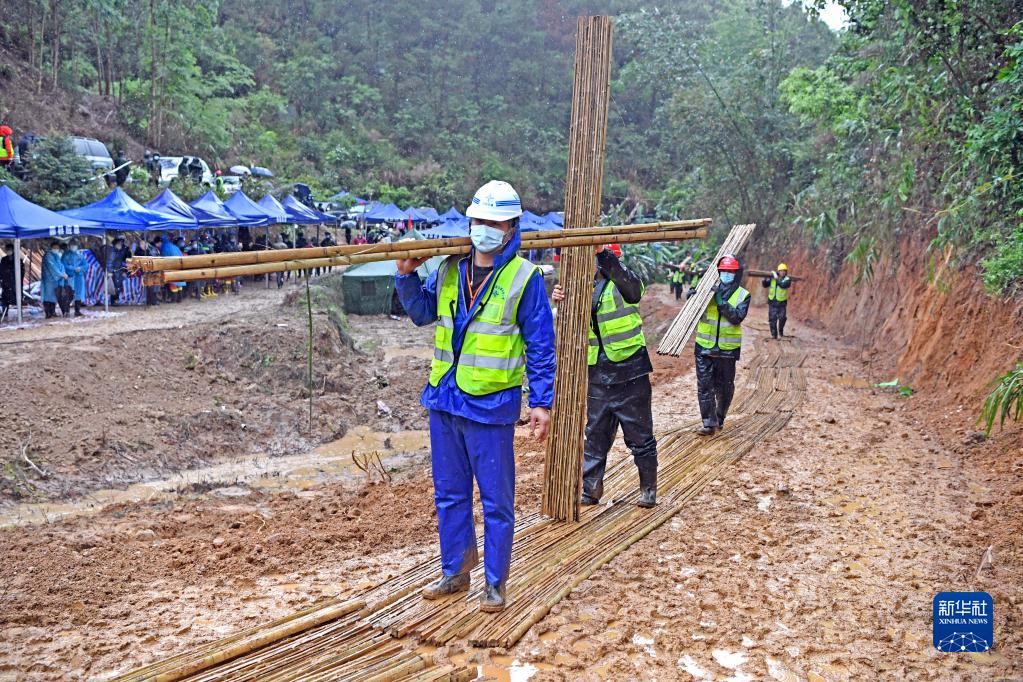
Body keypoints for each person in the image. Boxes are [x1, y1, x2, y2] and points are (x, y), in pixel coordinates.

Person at [394, 180, 555, 613]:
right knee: (449, 494)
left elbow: (541, 344)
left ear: (510, 227)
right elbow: (422, 314)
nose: (484, 228)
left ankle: (496, 583)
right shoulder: (450, 268)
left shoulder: (525, 278)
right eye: (477, 220)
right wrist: (406, 275)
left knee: (497, 501)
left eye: (493, 222)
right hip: (445, 399)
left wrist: (542, 402)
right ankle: (455, 571)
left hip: (490, 405)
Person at [552, 243, 658, 508]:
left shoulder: (626, 282)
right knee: (596, 435)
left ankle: (648, 489)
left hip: (630, 371)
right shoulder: (582, 287)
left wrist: (603, 254)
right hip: (598, 373)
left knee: (640, 435)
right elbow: (569, 329)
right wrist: (561, 303)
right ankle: (590, 489)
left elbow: (631, 287)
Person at [694, 255, 750, 436]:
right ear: (718, 272)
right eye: (724, 271)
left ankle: (719, 417)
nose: (726, 274)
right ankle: (709, 423)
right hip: (704, 346)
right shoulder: (706, 290)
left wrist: (721, 303)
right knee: (704, 385)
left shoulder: (743, 295)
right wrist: (693, 296)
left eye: (730, 271)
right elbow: (692, 308)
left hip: (727, 350)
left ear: (736, 273)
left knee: (725, 387)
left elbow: (736, 317)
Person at [762, 263, 792, 339]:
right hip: (772, 302)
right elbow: (765, 285)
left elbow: (782, 285)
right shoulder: (773, 278)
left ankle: (780, 331)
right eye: (781, 271)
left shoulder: (787, 279)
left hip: (782, 303)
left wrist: (776, 278)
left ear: (786, 272)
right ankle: (774, 335)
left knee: (782, 318)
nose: (782, 272)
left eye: (784, 271)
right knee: (772, 319)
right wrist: (766, 279)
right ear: (778, 271)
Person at [41, 241, 70, 318]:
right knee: (48, 296)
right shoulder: (48, 256)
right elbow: (53, 268)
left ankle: (52, 312)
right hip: (49, 280)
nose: (56, 249)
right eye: (55, 248)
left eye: (57, 248)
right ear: (51, 248)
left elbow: (61, 266)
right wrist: (61, 274)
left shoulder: (56, 256)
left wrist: (63, 273)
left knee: (54, 296)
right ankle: (48, 313)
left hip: (56, 280)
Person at [62, 239, 88, 317]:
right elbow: (63, 265)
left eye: (75, 245)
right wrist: (73, 268)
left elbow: (86, 265)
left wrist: (81, 268)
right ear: (69, 246)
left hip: (79, 277)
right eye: (72, 245)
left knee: (79, 294)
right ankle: (66, 311)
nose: (73, 246)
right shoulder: (65, 255)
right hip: (70, 277)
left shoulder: (80, 255)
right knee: (69, 294)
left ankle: (77, 311)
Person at [1, 243, 27, 318]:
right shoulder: (4, 260)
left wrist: (16, 276)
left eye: (9, 250)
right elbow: (1, 270)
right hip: (6, 283)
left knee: (17, 298)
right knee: (5, 299)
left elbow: (22, 271)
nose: (8, 251)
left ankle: (20, 314)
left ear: (13, 250)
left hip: (16, 283)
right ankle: (4, 313)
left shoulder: (18, 260)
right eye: (7, 250)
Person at [107, 236, 132, 305]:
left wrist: (123, 271)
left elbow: (121, 262)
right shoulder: (113, 252)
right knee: (114, 287)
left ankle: (116, 300)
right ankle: (113, 301)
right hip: (115, 272)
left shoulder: (119, 251)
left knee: (118, 286)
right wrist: (110, 271)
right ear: (116, 245)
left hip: (119, 271)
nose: (120, 245)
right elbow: (109, 262)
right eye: (119, 244)